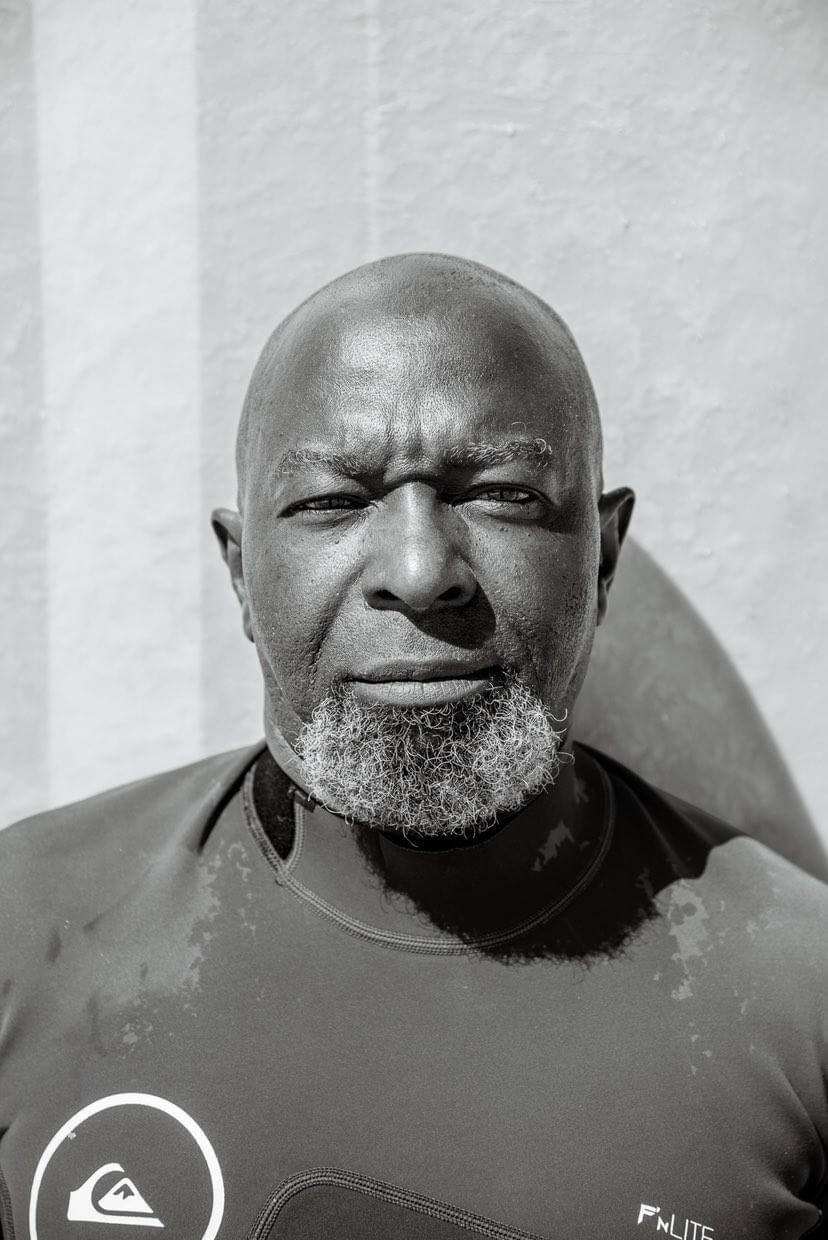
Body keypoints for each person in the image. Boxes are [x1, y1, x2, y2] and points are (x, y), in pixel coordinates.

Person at [1, 253, 826, 1240]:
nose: (421, 570)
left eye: (502, 492)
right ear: (241, 572)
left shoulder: (802, 999)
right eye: (330, 501)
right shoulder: (26, 929)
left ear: (602, 556)